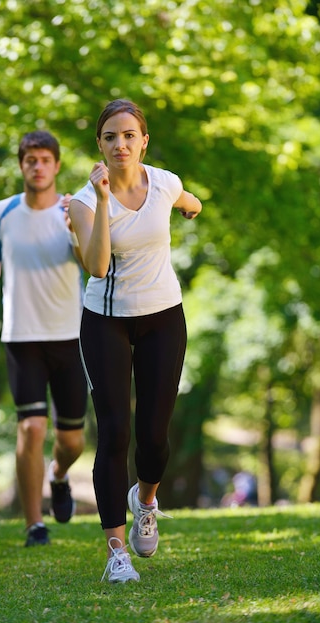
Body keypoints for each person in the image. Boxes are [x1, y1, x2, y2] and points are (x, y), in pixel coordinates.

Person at [69, 99, 202, 583]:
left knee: (154, 436)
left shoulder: (164, 182)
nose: (120, 144)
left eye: (129, 135)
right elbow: (98, 265)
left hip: (164, 316)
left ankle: (145, 499)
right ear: (99, 146)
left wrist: (191, 209)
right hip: (106, 320)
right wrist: (104, 200)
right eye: (110, 137)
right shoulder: (85, 202)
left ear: (143, 140)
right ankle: (116, 554)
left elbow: (191, 200)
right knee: (115, 433)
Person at [0, 130, 88, 547]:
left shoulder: (74, 210)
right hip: (22, 339)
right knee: (32, 428)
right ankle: (35, 524)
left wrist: (77, 225)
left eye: (45, 160)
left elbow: (95, 260)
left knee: (72, 439)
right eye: (30, 160)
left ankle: (59, 474)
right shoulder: (1, 214)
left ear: (56, 165)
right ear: (21, 165)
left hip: (71, 337)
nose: (37, 167)